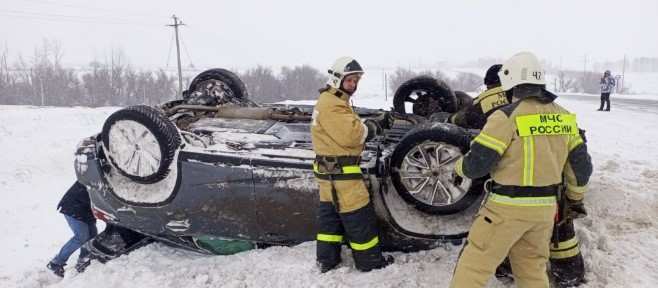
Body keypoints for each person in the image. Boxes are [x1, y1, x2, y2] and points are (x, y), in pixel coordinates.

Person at [449, 51, 593, 288]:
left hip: (505, 209)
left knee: (473, 267)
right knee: (532, 271)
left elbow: (477, 165)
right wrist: (574, 198)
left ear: (511, 81)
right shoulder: (565, 118)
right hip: (545, 212)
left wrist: (457, 167)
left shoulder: (506, 116)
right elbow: (581, 169)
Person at [311, 56, 393, 273]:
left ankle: (327, 261)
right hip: (342, 176)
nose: (354, 85)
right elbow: (352, 135)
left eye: (356, 81)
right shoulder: (332, 105)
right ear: (337, 79)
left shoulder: (331, 101)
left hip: (329, 173)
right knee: (359, 217)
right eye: (350, 80)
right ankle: (370, 262)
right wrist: (376, 125)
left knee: (330, 219)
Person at [47, 181, 98, 277]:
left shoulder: (100, 179)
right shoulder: (93, 177)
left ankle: (84, 259)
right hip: (73, 209)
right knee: (81, 237)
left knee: (92, 235)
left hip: (84, 211)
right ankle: (56, 263)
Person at [449, 64, 510, 129]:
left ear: (488, 83)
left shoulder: (480, 104)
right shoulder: (518, 99)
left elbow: (456, 120)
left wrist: (449, 117)